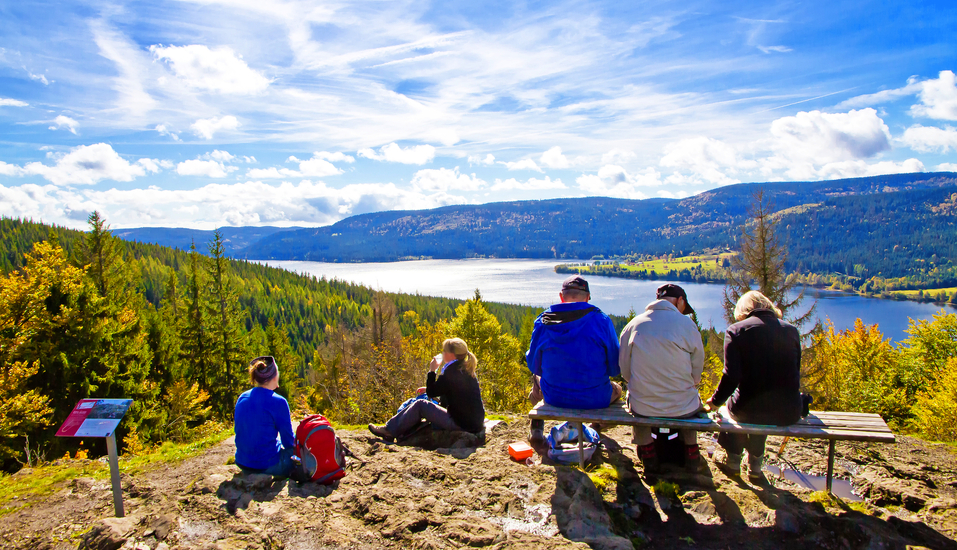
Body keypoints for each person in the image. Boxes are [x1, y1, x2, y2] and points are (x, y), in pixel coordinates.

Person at [706, 290, 802, 483]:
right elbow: (795, 372)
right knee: (765, 402)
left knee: (737, 406)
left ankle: (733, 461)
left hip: (748, 410)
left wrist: (715, 402)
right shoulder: (791, 331)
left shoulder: (736, 330)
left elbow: (731, 377)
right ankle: (755, 466)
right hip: (788, 412)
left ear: (743, 311)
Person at [619, 284, 705, 472]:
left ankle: (648, 451)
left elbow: (625, 372)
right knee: (692, 400)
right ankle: (691, 449)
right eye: (684, 306)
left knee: (636, 401)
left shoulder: (634, 325)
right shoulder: (687, 325)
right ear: (680, 301)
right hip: (682, 406)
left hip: (644, 405)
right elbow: (696, 373)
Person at [526, 275, 622, 444]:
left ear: (561, 297)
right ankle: (595, 426)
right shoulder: (602, 321)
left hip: (554, 397)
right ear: (588, 297)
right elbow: (615, 368)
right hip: (596, 398)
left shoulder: (543, 322)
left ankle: (536, 428)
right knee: (618, 390)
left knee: (536, 379)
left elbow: (534, 365)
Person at [369, 338, 485, 441]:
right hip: (473, 422)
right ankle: (396, 428)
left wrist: (432, 371)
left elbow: (432, 392)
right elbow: (452, 392)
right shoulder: (465, 369)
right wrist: (429, 389)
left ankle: (390, 430)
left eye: (445, 351)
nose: (443, 353)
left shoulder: (451, 372)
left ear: (452, 355)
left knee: (420, 404)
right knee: (419, 400)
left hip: (461, 424)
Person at [234, 356, 298, 478]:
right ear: (274, 376)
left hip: (242, 462)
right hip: (267, 465)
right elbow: (289, 442)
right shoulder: (279, 402)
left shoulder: (242, 397)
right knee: (296, 454)